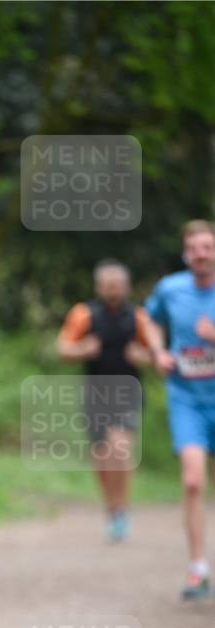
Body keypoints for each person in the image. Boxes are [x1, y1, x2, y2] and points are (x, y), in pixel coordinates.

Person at [143, 220, 215, 600]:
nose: (201, 254)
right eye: (195, 248)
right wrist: (158, 352)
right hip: (187, 398)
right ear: (186, 253)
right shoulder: (170, 289)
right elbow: (149, 320)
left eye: (208, 247)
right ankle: (197, 567)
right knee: (192, 481)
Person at [56, 260, 152, 542]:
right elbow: (62, 347)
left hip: (127, 392)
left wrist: (142, 356)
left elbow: (156, 354)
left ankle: (121, 508)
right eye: (108, 286)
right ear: (99, 287)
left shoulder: (139, 317)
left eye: (117, 286)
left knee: (121, 449)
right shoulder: (84, 314)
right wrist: (83, 349)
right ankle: (112, 508)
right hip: (95, 393)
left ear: (126, 287)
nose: (112, 291)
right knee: (101, 456)